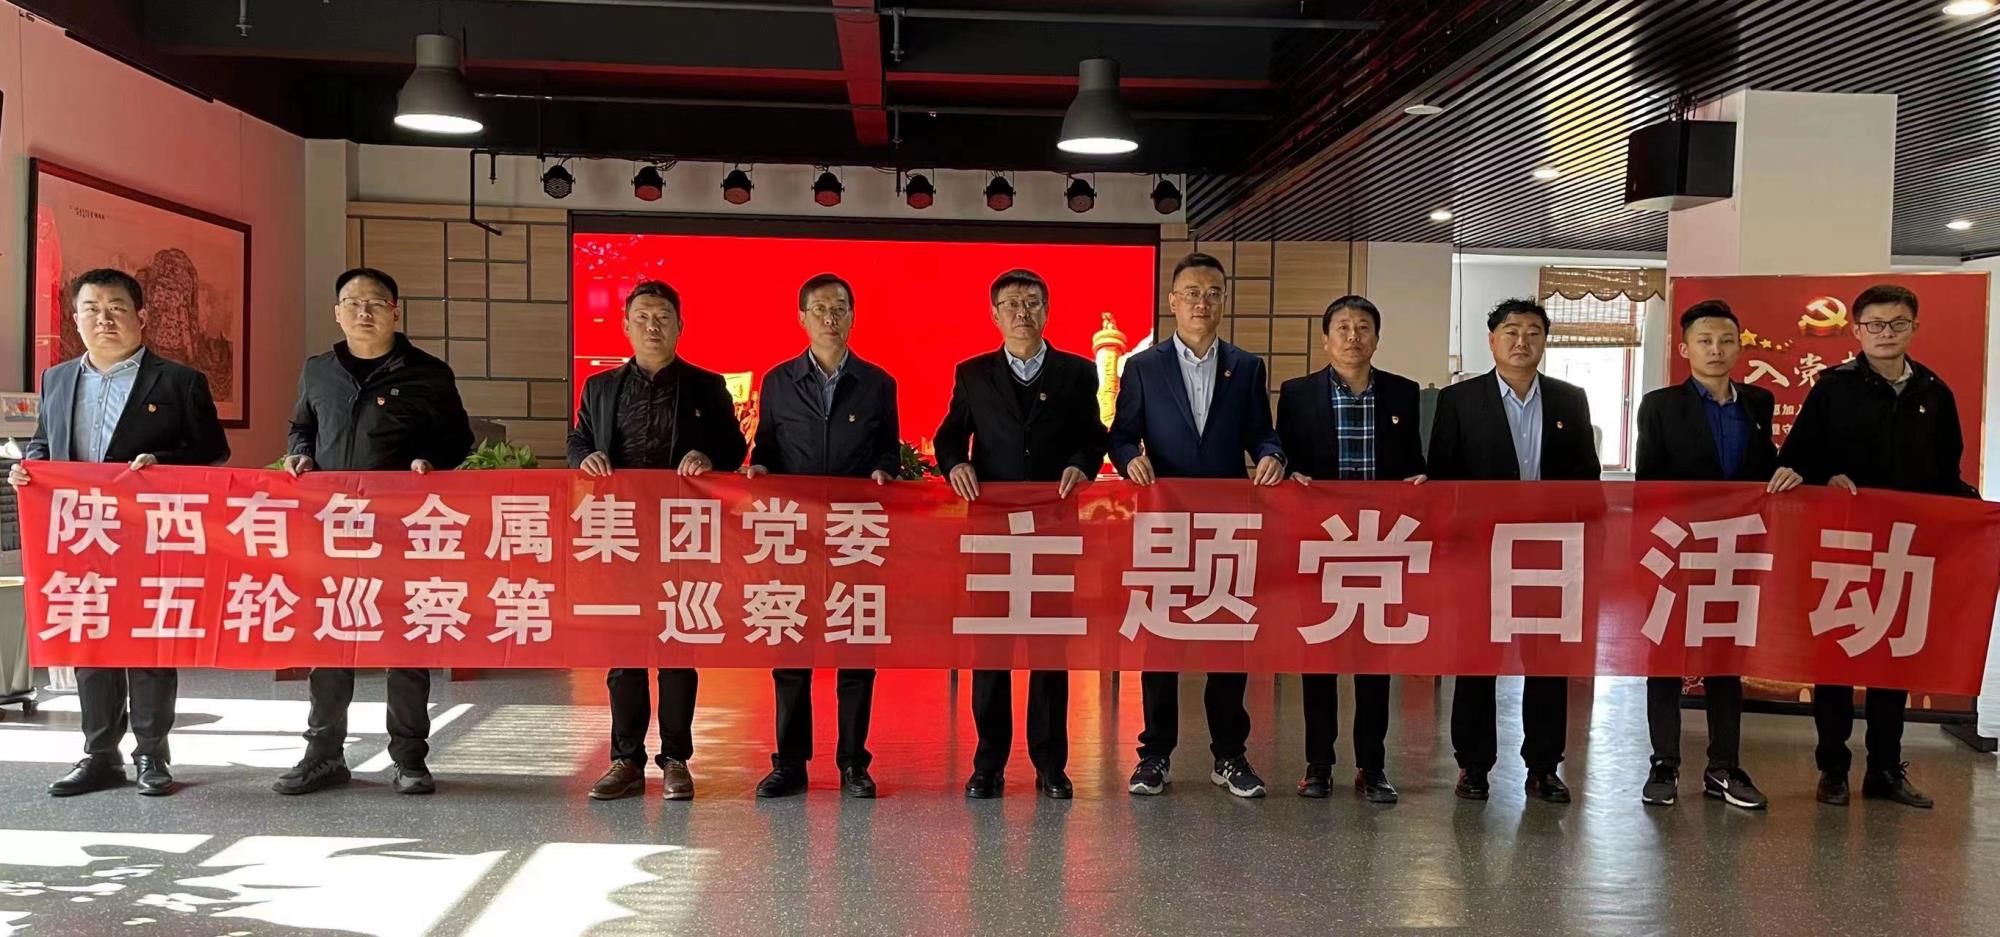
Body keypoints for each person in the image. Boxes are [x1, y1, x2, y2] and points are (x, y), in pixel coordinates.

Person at [11, 268, 229, 798]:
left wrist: (162, 463)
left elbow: (213, 452)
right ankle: (99, 755)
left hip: (152, 535)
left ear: (141, 317)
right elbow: (44, 444)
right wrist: (29, 469)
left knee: (150, 645)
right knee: (91, 644)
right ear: (75, 319)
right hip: (80, 534)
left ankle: (152, 755)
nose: (103, 319)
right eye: (91, 309)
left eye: (116, 308)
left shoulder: (178, 381)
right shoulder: (57, 379)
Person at [278, 267, 473, 796]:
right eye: (352, 303)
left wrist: (428, 460)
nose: (363, 312)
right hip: (333, 527)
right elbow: (302, 426)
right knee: (330, 641)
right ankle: (323, 756)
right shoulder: (318, 371)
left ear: (395, 311)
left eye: (375, 303)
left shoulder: (428, 373)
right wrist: (300, 454)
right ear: (337, 313)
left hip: (403, 528)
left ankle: (409, 758)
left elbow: (458, 439)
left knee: (405, 642)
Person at [1780, 283, 1972, 810]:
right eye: (1875, 325)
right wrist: (1827, 477)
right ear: (1857, 329)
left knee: (1894, 660)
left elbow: (1946, 471)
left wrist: (1972, 513)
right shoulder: (1832, 388)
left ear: (1914, 327)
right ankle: (1833, 768)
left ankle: (1885, 768)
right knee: (1837, 658)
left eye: (1897, 324)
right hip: (1843, 546)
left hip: (1905, 547)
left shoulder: (1935, 392)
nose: (1886, 333)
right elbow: (1796, 460)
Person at [1109, 251, 1286, 799]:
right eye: (1191, 293)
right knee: (1161, 643)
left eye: (1212, 293)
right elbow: (1121, 435)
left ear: (1223, 301)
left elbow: (1262, 433)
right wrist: (1128, 459)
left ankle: (1229, 755)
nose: (1201, 302)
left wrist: (1272, 454)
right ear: (1172, 301)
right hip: (1164, 522)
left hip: (1226, 526)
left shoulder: (1247, 367)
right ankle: (1154, 755)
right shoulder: (1143, 366)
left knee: (1226, 641)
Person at [934, 268, 1108, 800]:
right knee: (991, 652)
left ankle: (1050, 765)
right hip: (992, 534)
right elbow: (948, 437)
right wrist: (955, 465)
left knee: (1049, 652)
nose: (1021, 312)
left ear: (1047, 311)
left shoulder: (1077, 373)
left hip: (1053, 531)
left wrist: (1081, 464)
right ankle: (988, 764)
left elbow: (1093, 437)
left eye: (1031, 302)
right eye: (1010, 303)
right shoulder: (973, 373)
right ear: (994, 314)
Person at [572, 280, 747, 802]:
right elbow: (579, 438)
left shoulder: (706, 386)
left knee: (676, 647)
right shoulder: (600, 387)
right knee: (624, 648)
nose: (653, 326)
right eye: (643, 317)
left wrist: (708, 458)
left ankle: (675, 759)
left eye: (663, 317)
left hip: (681, 534)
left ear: (680, 326)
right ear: (626, 325)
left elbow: (734, 446)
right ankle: (625, 759)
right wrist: (585, 456)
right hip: (620, 533)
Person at [1427, 298, 1598, 804]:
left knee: (1546, 661)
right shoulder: (1459, 400)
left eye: (1533, 332)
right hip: (1481, 553)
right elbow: (1442, 479)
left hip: (1549, 554)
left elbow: (1587, 478)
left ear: (1545, 341)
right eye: (1511, 331)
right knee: (1477, 659)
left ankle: (1543, 766)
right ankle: (1474, 765)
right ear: (1492, 340)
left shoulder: (1570, 400)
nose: (1522, 341)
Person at [1634, 299, 1801, 811]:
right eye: (1704, 340)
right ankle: (1664, 763)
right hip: (1678, 548)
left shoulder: (1757, 401)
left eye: (1726, 340)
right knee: (1665, 657)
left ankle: (1724, 766)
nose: (1716, 349)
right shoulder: (1660, 405)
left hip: (1736, 549)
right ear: (1685, 348)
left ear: (1739, 347)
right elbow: (1649, 484)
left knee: (1726, 660)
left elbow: (1763, 470)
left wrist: (1792, 474)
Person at [743, 274, 898, 799]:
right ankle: (789, 764)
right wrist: (760, 468)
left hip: (856, 535)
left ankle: (854, 763)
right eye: (820, 309)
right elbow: (767, 447)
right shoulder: (778, 381)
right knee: (791, 653)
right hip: (794, 535)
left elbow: (888, 451)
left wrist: (884, 471)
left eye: (839, 308)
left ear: (853, 316)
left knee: (856, 653)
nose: (830, 317)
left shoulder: (878, 383)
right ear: (801, 318)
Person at [1274, 295, 1424, 804]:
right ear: (1325, 339)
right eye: (1342, 327)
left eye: (1363, 327)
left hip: (1381, 544)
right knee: (1319, 655)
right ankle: (1318, 764)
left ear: (1377, 338)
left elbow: (1415, 461)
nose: (1353, 336)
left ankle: (1371, 767)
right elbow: (1283, 456)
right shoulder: (1297, 393)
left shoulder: (1403, 392)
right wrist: (1288, 474)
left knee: (1374, 660)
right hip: (1321, 544)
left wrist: (1420, 480)